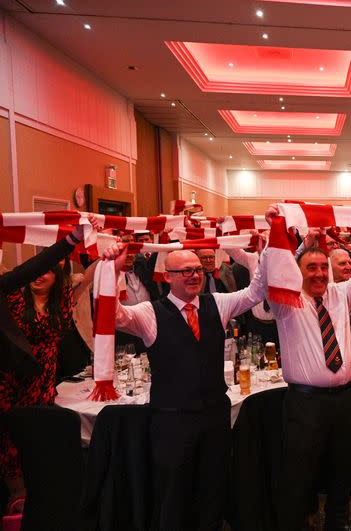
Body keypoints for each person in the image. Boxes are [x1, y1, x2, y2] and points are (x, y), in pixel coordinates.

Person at [104, 233, 271, 530]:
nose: (194, 276)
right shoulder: (150, 312)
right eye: (186, 271)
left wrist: (263, 253)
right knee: (173, 495)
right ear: (168, 277)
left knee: (212, 491)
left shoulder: (216, 303)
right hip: (172, 421)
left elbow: (256, 292)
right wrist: (113, 270)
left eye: (198, 270)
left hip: (214, 417)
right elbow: (112, 315)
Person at [264, 205, 351, 531]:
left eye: (322, 267)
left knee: (344, 463)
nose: (317, 273)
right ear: (298, 272)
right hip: (306, 402)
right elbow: (274, 267)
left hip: (346, 397)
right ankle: (295, 523)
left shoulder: (341, 293)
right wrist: (282, 231)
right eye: (310, 267)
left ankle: (338, 520)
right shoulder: (286, 302)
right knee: (300, 469)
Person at [0, 222, 92, 513]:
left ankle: (40, 490)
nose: (40, 276)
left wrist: (97, 252)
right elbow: (27, 270)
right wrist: (69, 240)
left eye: (48, 272)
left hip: (45, 378)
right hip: (14, 378)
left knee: (40, 435)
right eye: (37, 271)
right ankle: (17, 495)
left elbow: (86, 279)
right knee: (12, 438)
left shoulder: (61, 300)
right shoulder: (13, 295)